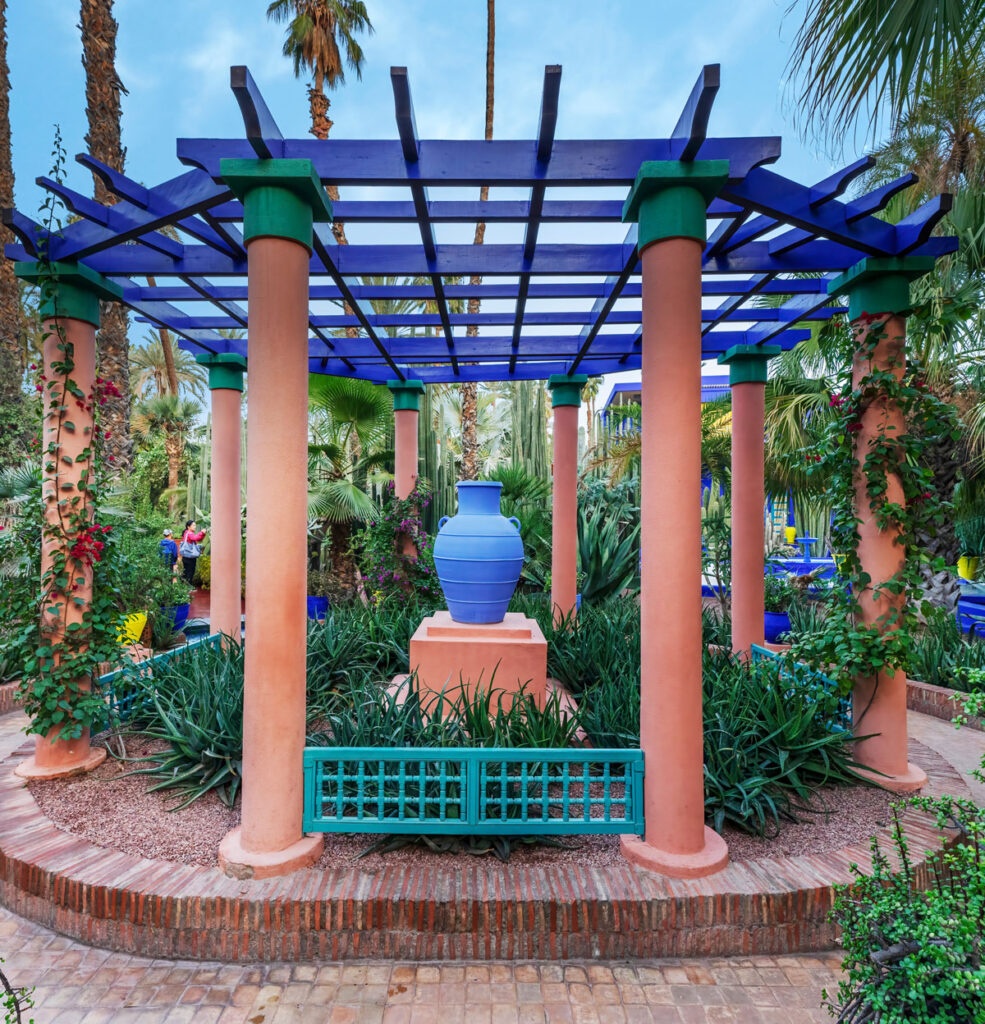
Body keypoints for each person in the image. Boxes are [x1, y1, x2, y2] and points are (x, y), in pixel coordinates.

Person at [179, 519, 206, 586]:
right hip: (190, 556)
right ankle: (189, 586)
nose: (195, 526)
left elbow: (197, 539)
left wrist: (202, 534)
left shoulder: (186, 533)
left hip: (186, 556)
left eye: (195, 525)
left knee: (186, 571)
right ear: (188, 527)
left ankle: (181, 584)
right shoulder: (190, 533)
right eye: (193, 525)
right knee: (190, 571)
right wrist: (202, 532)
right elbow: (195, 538)